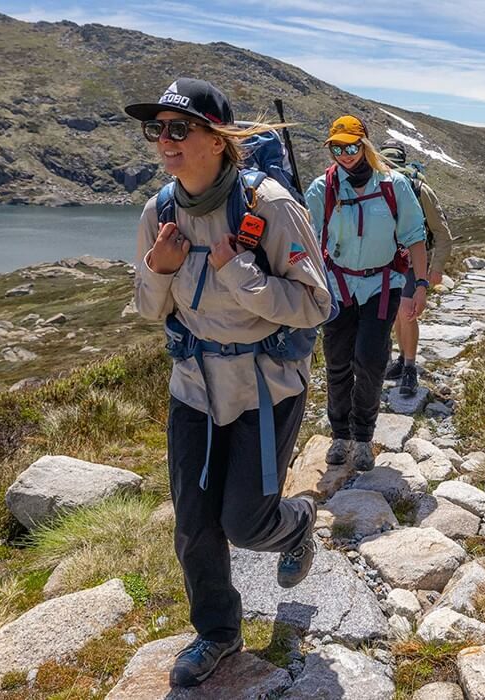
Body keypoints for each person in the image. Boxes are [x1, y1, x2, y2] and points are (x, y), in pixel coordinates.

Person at [126, 77, 333, 688]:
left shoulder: (269, 206)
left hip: (265, 387)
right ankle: (217, 632)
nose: (164, 141)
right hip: (192, 385)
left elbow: (316, 305)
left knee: (246, 522)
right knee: (194, 523)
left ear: (217, 140)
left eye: (178, 129)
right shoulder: (158, 211)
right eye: (156, 129)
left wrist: (243, 274)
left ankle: (296, 524)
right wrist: (160, 270)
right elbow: (147, 308)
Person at [304, 116, 429, 473]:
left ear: (365, 145)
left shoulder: (394, 185)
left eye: (351, 146)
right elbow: (305, 239)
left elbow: (414, 236)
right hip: (337, 286)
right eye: (337, 148)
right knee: (338, 362)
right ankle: (339, 435)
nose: (344, 154)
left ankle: (362, 438)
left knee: (371, 363)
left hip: (382, 285)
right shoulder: (322, 189)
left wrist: (419, 285)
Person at [377, 140, 453, 396]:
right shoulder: (376, 183)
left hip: (412, 259)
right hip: (384, 259)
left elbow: (441, 233)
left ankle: (409, 367)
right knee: (398, 313)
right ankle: (402, 361)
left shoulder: (420, 190)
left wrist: (435, 268)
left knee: (405, 310)